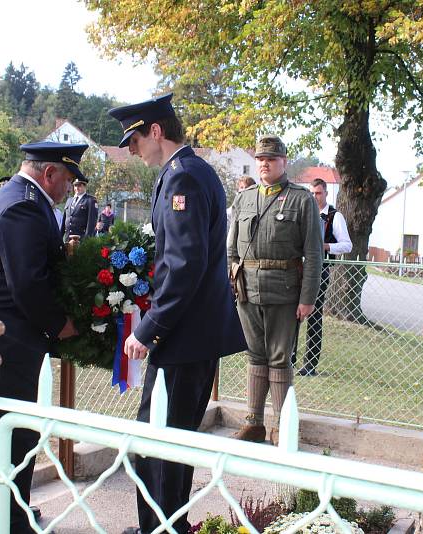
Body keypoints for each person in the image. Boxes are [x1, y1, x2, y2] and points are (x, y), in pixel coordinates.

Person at [108, 93, 246, 534]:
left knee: (158, 446)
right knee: (169, 445)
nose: (131, 149)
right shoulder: (186, 173)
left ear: (156, 132)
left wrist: (147, 330)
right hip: (191, 338)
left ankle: (161, 529)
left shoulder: (183, 179)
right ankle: (167, 526)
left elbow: (184, 268)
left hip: (182, 340)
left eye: (134, 139)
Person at [0, 141, 83, 533]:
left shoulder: (18, 198)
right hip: (0, 342)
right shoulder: (23, 206)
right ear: (49, 174)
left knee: (10, 431)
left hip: (0, 338)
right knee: (10, 433)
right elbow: (28, 283)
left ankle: (10, 509)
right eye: (67, 178)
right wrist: (61, 325)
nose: (67, 187)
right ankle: (7, 518)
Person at [228, 135, 322, 444]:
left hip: (284, 291)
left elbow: (314, 253)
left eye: (270, 158)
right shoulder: (244, 198)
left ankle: (282, 426)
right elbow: (231, 249)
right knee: (255, 355)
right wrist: (233, 280)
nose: (264, 163)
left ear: (283, 161)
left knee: (280, 357)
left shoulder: (301, 199)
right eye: (260, 159)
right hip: (248, 289)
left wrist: (307, 298)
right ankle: (253, 421)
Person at [294, 178, 352, 376]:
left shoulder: (335, 216)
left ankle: (310, 364)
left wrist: (325, 246)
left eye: (318, 193)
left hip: (320, 271)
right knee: (292, 315)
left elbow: (347, 245)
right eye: (311, 193)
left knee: (315, 316)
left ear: (326, 193)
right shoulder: (303, 213)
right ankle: (289, 359)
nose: (314, 196)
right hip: (297, 270)